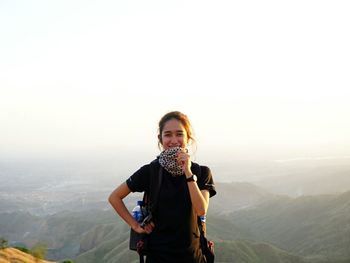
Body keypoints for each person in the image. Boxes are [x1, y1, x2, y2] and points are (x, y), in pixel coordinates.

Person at [108, 111, 216, 263]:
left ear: (187, 137)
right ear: (160, 139)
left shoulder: (201, 172)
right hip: (157, 256)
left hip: (192, 257)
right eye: (167, 135)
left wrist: (187, 171)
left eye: (179, 134)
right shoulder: (150, 171)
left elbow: (201, 209)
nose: (173, 140)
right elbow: (114, 197)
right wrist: (136, 226)